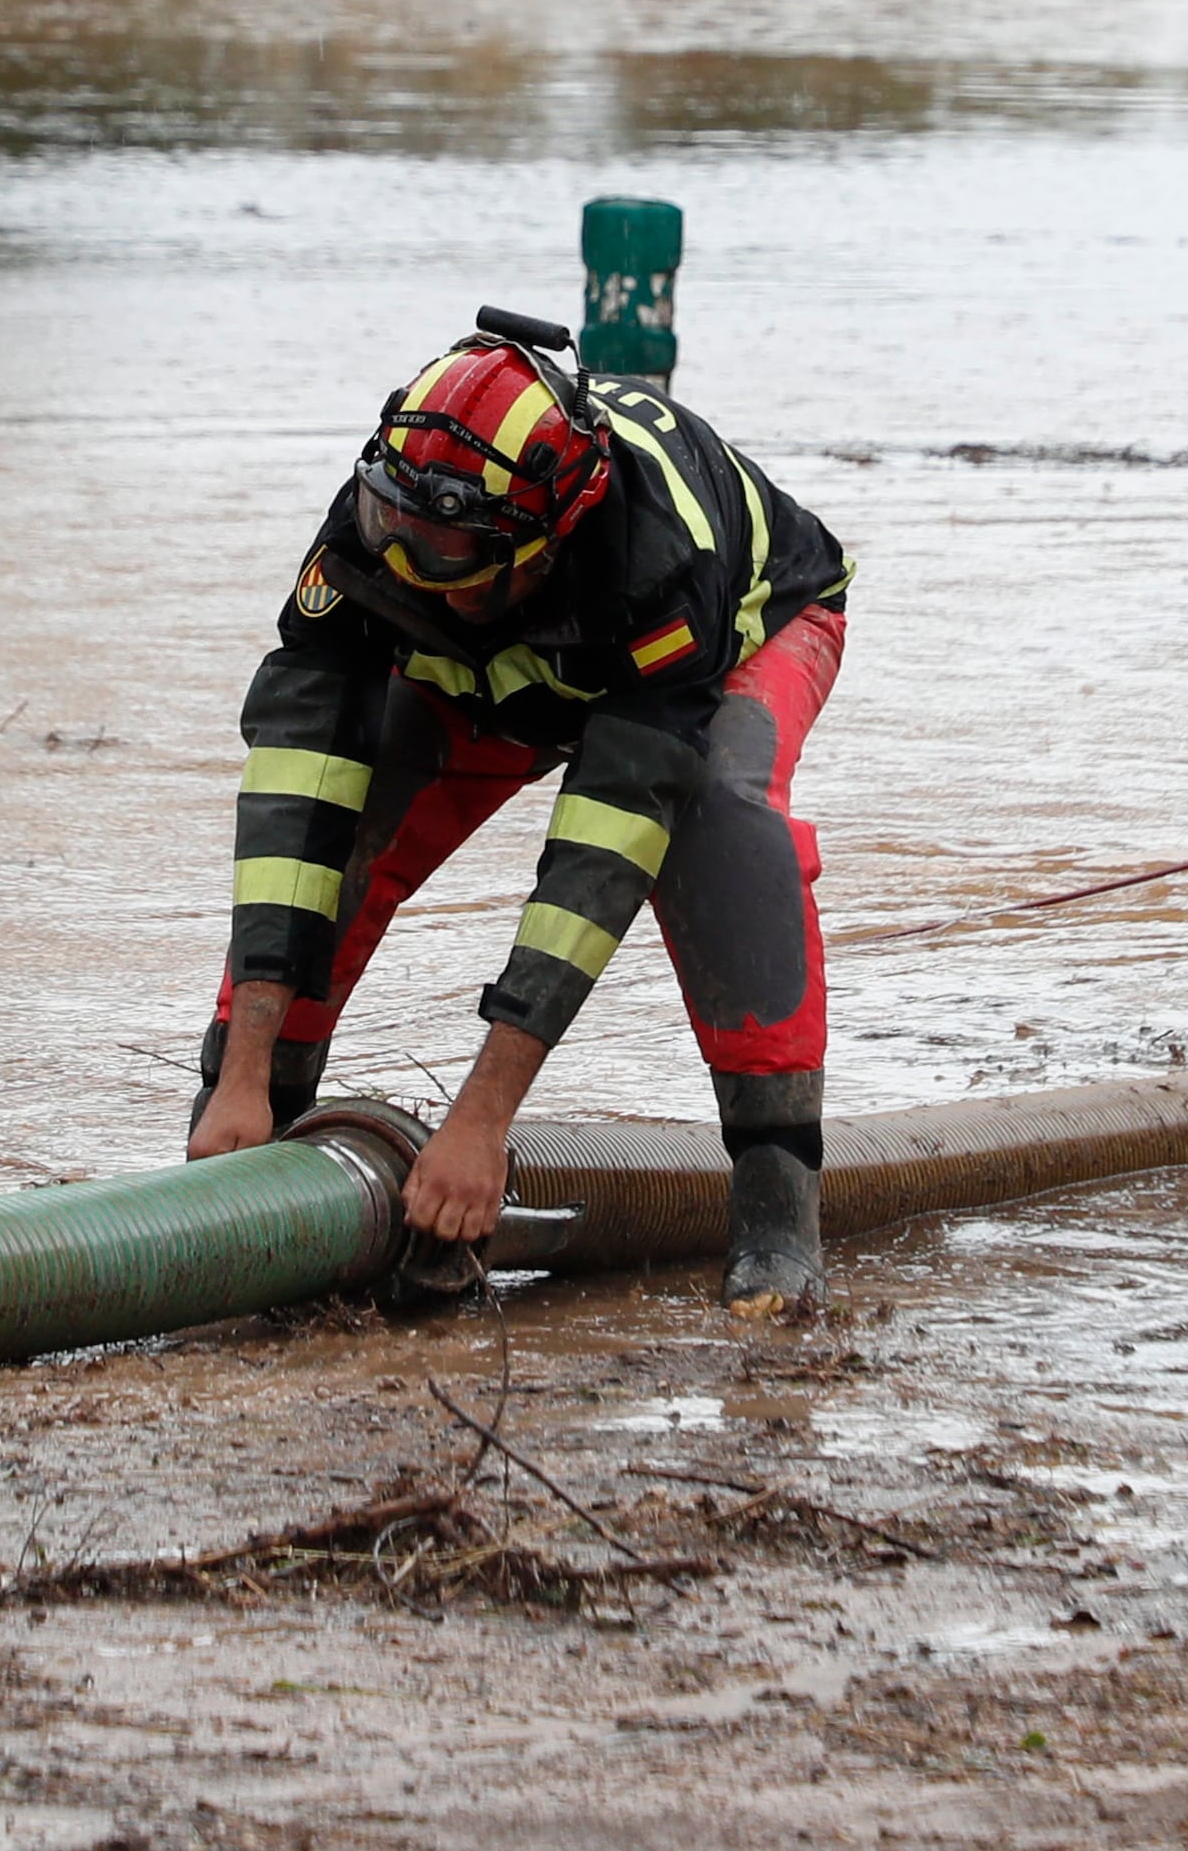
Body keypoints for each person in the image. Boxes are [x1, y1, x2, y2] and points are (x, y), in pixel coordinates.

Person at [186, 315, 853, 1314]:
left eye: (443, 555)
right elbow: (296, 794)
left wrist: (478, 1121)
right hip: (502, 657)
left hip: (732, 634)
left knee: (714, 823)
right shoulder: (380, 529)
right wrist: (239, 1073)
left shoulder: (661, 569)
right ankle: (244, 1140)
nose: (409, 569)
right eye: (396, 541)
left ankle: (775, 1219)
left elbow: (600, 859)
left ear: (543, 538)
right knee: (353, 820)